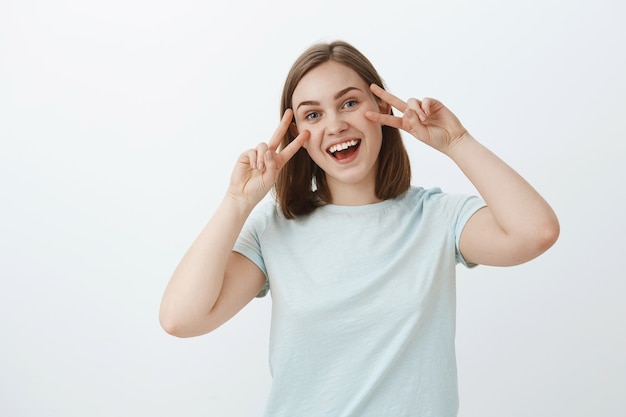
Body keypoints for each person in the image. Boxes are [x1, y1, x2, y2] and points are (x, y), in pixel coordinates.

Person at [159, 40, 559, 417]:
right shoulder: (275, 228)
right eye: (312, 115)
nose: (334, 125)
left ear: (381, 110)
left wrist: (457, 141)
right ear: (297, 135)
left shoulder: (436, 216)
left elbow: (535, 232)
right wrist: (237, 203)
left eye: (349, 103)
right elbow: (181, 319)